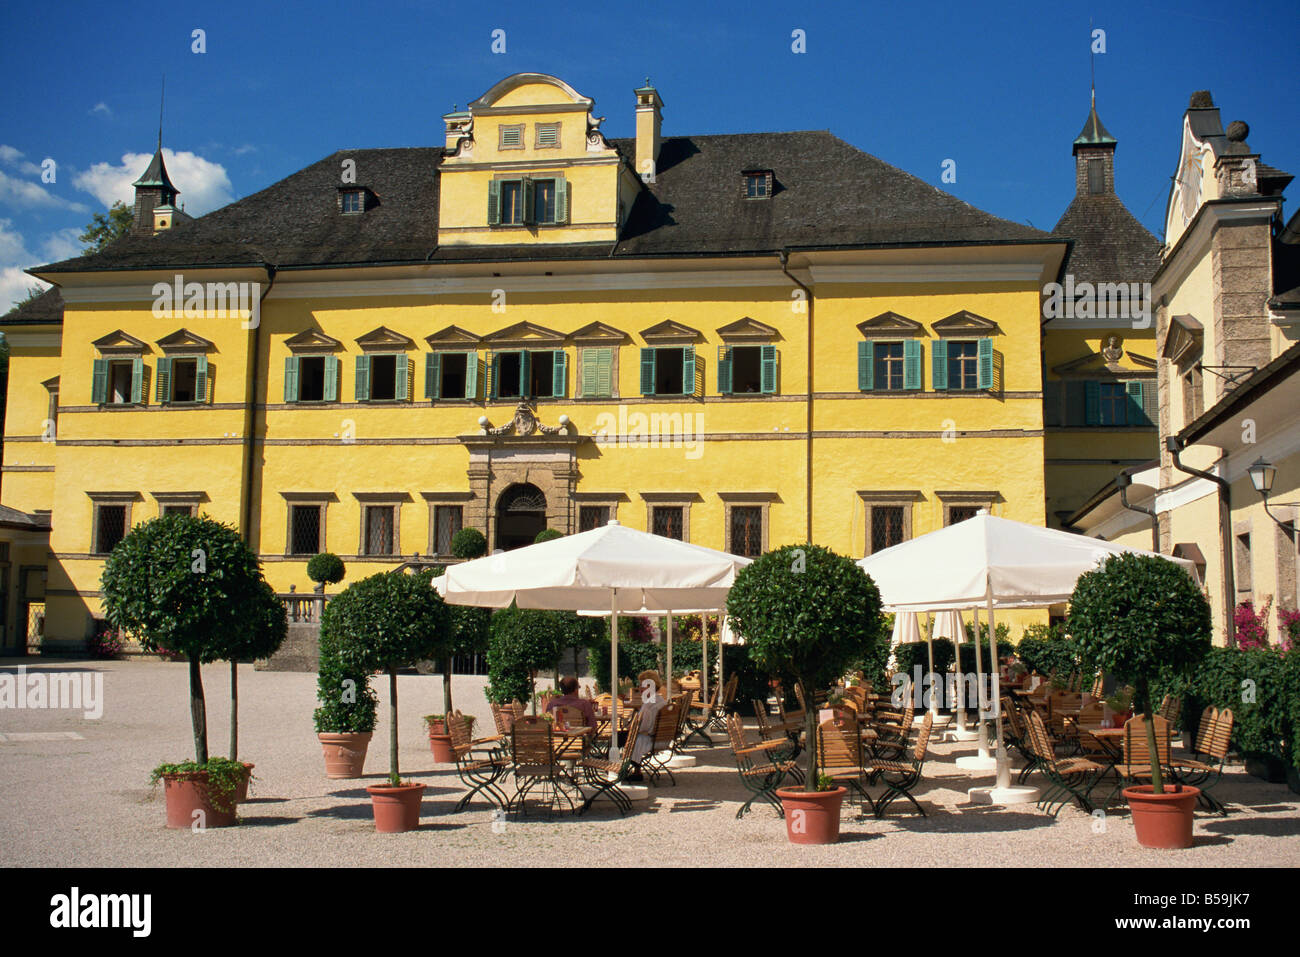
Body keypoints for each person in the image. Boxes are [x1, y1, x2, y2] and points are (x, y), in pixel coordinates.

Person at [627, 670, 668, 781]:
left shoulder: (649, 705)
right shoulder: (661, 701)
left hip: (649, 739)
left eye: (642, 685)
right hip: (662, 738)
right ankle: (634, 770)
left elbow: (642, 727)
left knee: (617, 739)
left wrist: (630, 726)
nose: (639, 688)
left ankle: (617, 769)